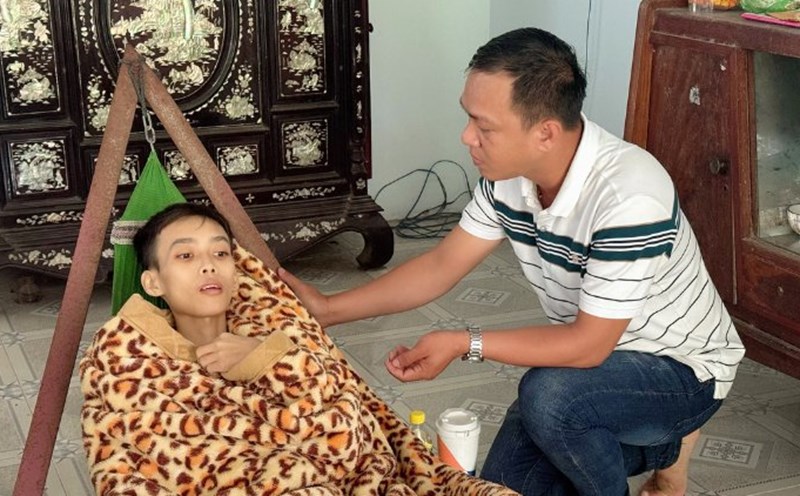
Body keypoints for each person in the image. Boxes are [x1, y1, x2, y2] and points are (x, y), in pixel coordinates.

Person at [279, 27, 745, 496]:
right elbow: (442, 265)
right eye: (469, 119)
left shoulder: (629, 194)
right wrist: (329, 309)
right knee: (508, 487)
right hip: (587, 370)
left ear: (544, 132)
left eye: (484, 126)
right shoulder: (509, 177)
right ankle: (664, 450)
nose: (466, 137)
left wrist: (465, 341)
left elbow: (587, 347)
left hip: (679, 370)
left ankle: (667, 436)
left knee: (550, 398)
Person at [81, 202, 515, 495]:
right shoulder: (127, 361)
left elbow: (347, 437)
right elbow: (125, 472)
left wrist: (263, 359)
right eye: (185, 257)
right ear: (152, 283)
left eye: (220, 252)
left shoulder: (279, 330)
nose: (209, 264)